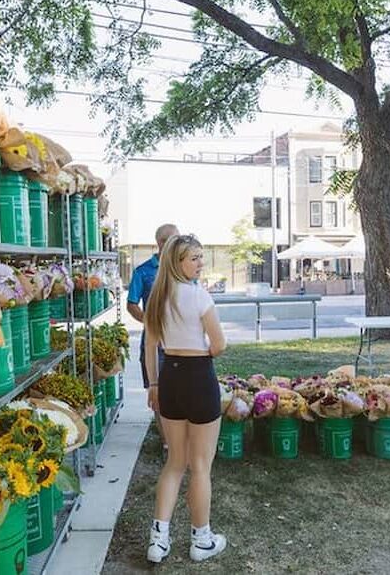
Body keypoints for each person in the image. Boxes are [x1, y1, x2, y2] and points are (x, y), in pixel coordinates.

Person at [143, 234, 228, 564]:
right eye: (194, 258)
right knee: (201, 466)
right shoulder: (199, 296)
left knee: (175, 462)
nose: (200, 263)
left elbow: (151, 346)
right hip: (197, 375)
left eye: (201, 257)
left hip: (169, 378)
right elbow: (219, 345)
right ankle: (201, 540)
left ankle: (158, 541)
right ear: (177, 263)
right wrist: (204, 353)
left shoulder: (157, 297)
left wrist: (153, 384)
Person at [127, 223, 179, 443]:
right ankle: (167, 442)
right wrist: (149, 323)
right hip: (154, 343)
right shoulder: (143, 271)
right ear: (161, 243)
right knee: (157, 392)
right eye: (175, 240)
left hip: (180, 340)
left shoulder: (182, 268)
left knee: (179, 389)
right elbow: (132, 304)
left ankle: (179, 436)